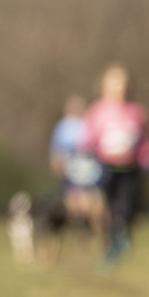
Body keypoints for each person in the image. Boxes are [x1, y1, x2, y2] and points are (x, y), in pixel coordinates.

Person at [78, 63, 149, 267]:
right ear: (104, 86)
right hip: (105, 166)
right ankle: (109, 244)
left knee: (126, 206)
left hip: (130, 167)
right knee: (106, 208)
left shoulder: (136, 111)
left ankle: (122, 238)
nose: (118, 88)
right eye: (114, 83)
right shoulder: (97, 110)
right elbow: (87, 137)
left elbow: (145, 139)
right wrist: (83, 151)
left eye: (122, 83)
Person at [41, 94, 103, 248]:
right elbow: (56, 150)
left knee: (92, 205)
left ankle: (95, 235)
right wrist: (57, 168)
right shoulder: (62, 127)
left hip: (89, 173)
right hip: (70, 173)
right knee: (74, 207)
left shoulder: (90, 124)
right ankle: (79, 234)